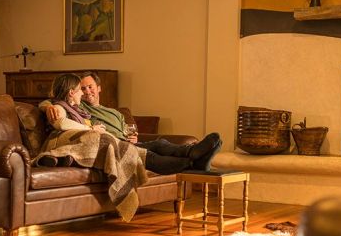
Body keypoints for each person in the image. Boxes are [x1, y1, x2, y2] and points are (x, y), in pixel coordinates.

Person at [39, 73, 221, 175]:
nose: (86, 92)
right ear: (73, 92)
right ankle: (193, 160)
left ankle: (194, 157)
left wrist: (131, 137)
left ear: (99, 88)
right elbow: (56, 107)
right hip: (110, 145)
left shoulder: (109, 112)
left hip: (122, 142)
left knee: (160, 144)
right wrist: (47, 106)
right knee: (154, 149)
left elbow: (126, 132)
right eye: (82, 89)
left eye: (90, 87)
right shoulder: (78, 107)